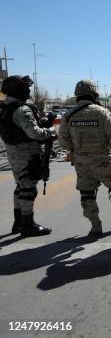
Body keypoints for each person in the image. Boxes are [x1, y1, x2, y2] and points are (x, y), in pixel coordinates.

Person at [58, 80, 111, 236]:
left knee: (86, 193)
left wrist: (74, 151)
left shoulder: (68, 115)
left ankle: (95, 226)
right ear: (94, 94)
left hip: (82, 162)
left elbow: (63, 140)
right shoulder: (102, 112)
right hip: (104, 159)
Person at [0, 75, 56, 236]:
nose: (28, 90)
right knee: (28, 189)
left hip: (14, 152)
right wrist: (50, 132)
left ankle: (19, 223)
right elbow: (34, 133)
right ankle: (27, 225)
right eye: (25, 87)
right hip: (27, 154)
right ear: (16, 89)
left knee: (21, 186)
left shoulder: (5, 107)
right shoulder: (21, 109)